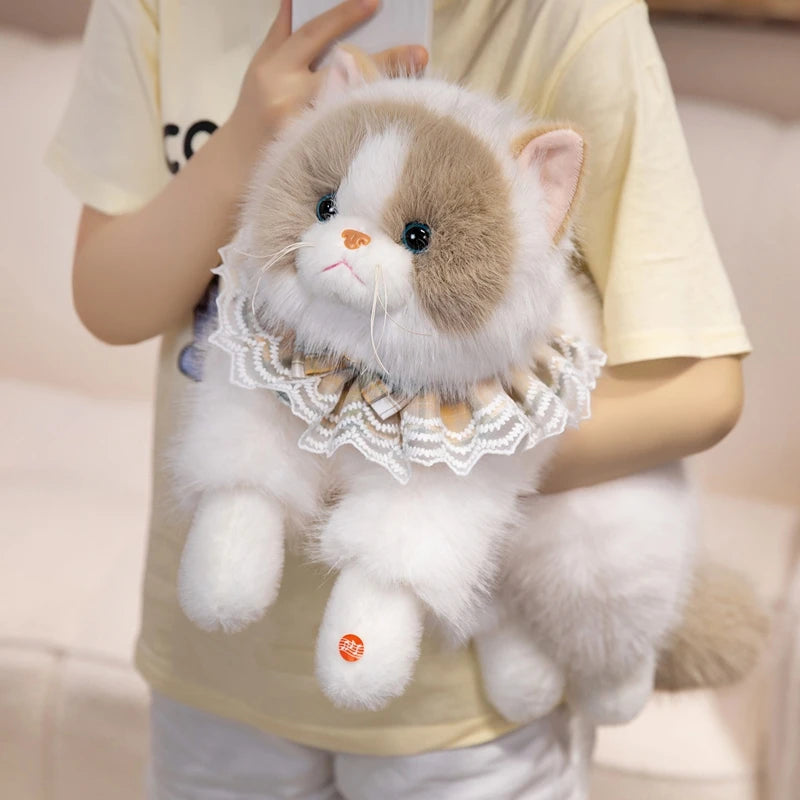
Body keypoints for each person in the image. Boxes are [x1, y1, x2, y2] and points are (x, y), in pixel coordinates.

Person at [47, 0, 751, 797]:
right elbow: (109, 302)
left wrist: (433, 452)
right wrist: (246, 145)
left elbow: (703, 390)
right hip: (214, 660)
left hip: (461, 692)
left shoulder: (566, 20)